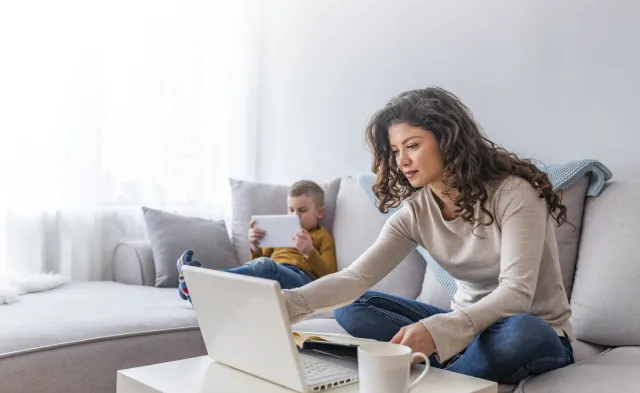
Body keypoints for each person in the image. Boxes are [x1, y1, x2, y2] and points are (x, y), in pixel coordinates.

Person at [281, 87, 574, 384]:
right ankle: (450, 370)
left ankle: (431, 373)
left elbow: (517, 293)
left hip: (535, 330)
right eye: (396, 151)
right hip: (464, 334)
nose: (402, 161)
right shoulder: (414, 214)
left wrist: (440, 331)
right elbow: (354, 279)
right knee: (352, 305)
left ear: (448, 142)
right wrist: (285, 303)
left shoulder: (514, 194)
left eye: (412, 146)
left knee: (523, 333)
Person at [177, 180, 337, 303]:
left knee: (266, 265)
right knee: (259, 271)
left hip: (301, 279)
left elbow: (330, 275)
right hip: (273, 273)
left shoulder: (323, 236)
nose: (294, 215)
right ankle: (194, 290)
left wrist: (310, 251)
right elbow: (255, 266)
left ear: (320, 212)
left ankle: (199, 281)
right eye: (291, 210)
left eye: (302, 210)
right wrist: (254, 245)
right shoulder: (281, 230)